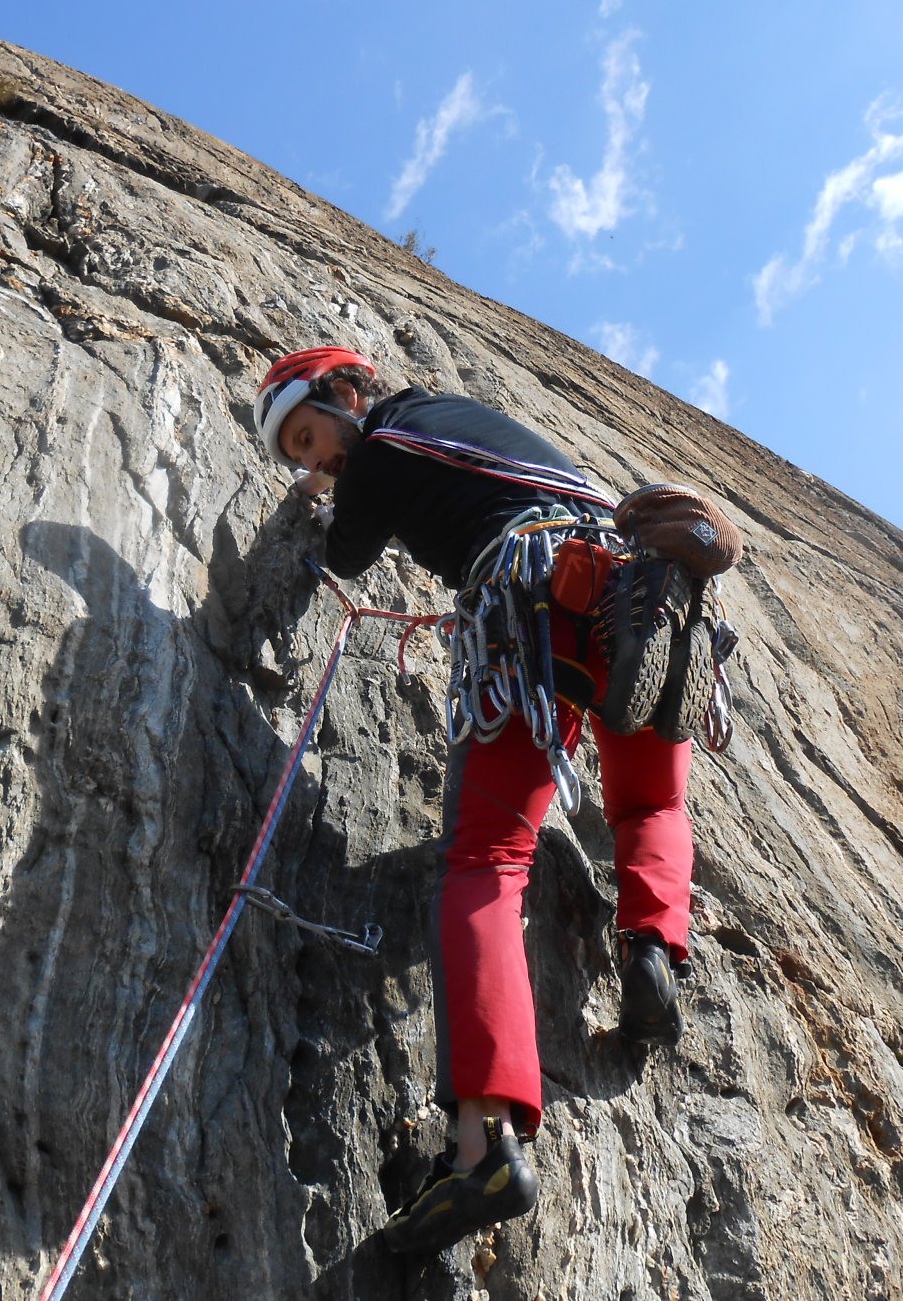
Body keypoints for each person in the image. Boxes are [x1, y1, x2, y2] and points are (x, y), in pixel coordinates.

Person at [250, 346, 742, 1257]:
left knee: (487, 861)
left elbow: (346, 551)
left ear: (346, 393)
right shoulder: (464, 421)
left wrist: (310, 497)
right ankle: (651, 950)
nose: (320, 460)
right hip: (640, 601)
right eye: (303, 455)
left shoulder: (383, 446)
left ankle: (482, 1147)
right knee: (650, 805)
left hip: (533, 610)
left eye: (312, 437)